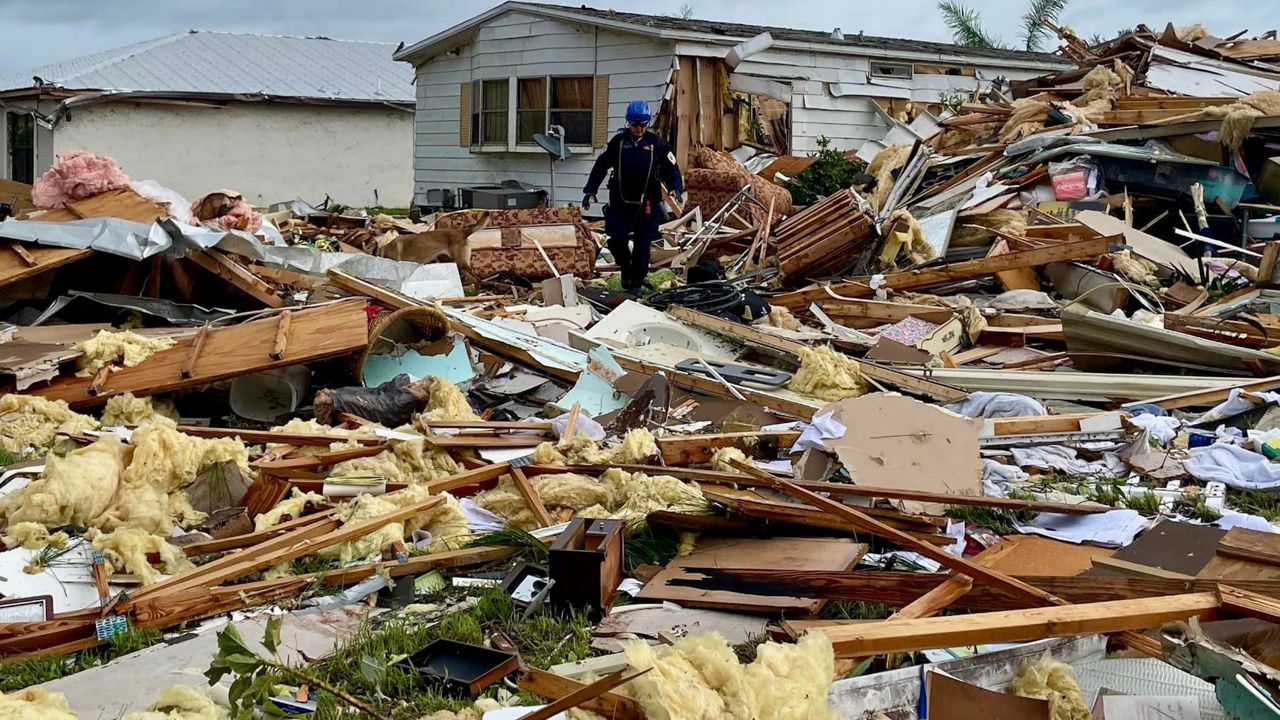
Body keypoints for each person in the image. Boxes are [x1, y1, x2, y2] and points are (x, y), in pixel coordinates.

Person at [583, 99, 684, 294]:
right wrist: (590, 190)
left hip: (647, 202)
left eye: (643, 125)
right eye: (635, 125)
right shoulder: (618, 143)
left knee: (642, 244)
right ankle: (625, 268)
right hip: (621, 201)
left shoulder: (656, 144)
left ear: (647, 124)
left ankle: (636, 283)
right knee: (617, 239)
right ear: (628, 123)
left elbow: (672, 168)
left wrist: (675, 188)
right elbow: (601, 166)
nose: (639, 129)